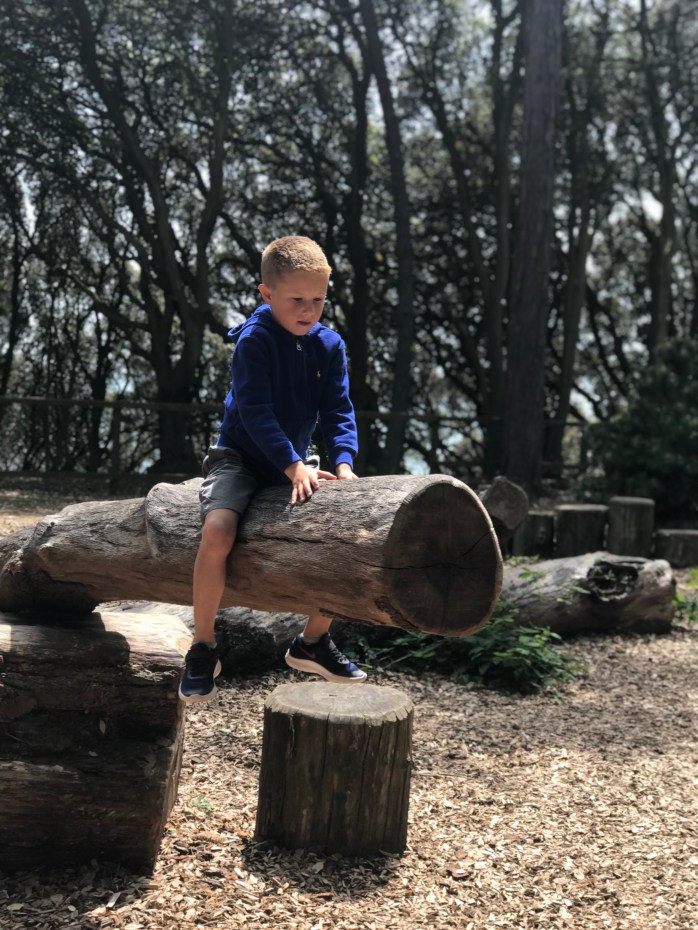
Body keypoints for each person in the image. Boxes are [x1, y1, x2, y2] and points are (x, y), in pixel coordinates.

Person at [179, 235, 367, 703]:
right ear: (266, 294)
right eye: (297, 300)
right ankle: (202, 646)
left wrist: (344, 464)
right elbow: (255, 412)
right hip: (241, 458)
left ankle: (312, 641)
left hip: (297, 464)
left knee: (345, 531)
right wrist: (292, 465)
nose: (309, 310)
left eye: (318, 300)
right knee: (218, 531)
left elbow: (338, 411)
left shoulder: (330, 345)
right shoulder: (254, 340)